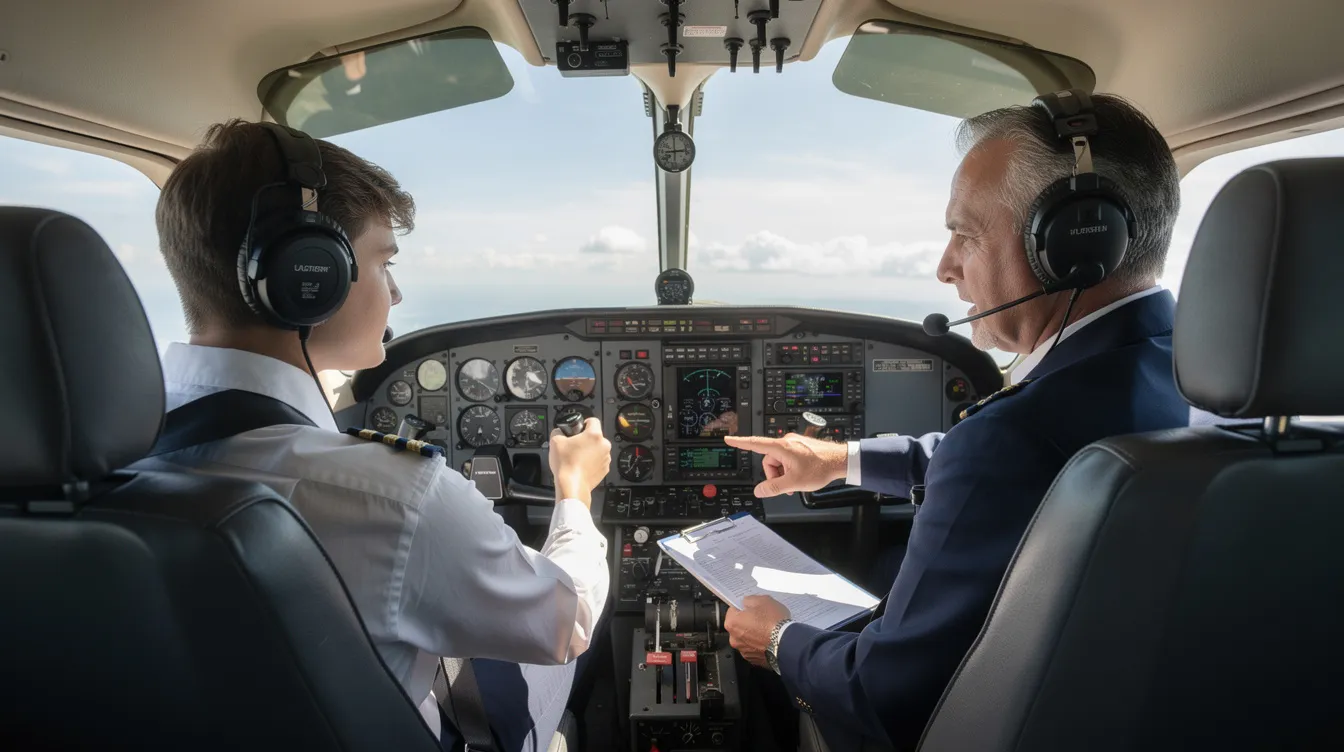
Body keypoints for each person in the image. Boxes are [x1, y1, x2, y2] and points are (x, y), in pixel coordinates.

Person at [720, 93, 1190, 751]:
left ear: (1073, 242)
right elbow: (1012, 462)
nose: (946, 267)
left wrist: (776, 639)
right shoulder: (1202, 380)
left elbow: (881, 694)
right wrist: (839, 459)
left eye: (966, 234)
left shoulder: (1013, 439)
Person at [134, 119, 611, 750]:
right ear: (310, 272)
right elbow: (564, 623)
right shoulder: (395, 498)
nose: (397, 291)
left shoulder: (106, 456)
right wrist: (574, 494)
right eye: (383, 261)